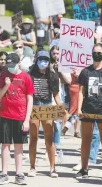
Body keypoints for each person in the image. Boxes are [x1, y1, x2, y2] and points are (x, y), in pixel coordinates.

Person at [75, 43, 102, 181]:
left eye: (99, 52)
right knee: (86, 139)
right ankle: (84, 168)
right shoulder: (85, 72)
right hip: (88, 109)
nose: (97, 54)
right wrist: (79, 108)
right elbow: (81, 92)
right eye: (94, 52)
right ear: (91, 53)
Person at [0, 53, 35, 185]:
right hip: (5, 115)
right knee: (5, 145)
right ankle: (4, 173)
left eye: (13, 65)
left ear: (19, 64)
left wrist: (27, 119)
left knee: (19, 145)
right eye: (8, 65)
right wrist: (6, 85)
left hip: (20, 116)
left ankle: (19, 173)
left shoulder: (26, 77)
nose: (10, 68)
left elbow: (30, 98)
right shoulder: (3, 75)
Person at [28, 50, 63, 178]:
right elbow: (27, 95)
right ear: (36, 59)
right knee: (34, 137)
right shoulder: (30, 74)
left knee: (49, 138)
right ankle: (32, 167)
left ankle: (52, 168)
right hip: (35, 105)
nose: (43, 62)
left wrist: (62, 109)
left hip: (47, 105)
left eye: (46, 59)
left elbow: (56, 95)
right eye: (41, 59)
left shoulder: (53, 76)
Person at [49, 46, 71, 152]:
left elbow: (68, 81)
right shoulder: (47, 65)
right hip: (48, 95)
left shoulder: (63, 66)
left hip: (59, 95)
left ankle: (56, 145)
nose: (56, 56)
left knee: (57, 123)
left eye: (58, 53)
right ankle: (49, 145)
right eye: (54, 53)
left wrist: (60, 70)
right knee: (48, 122)